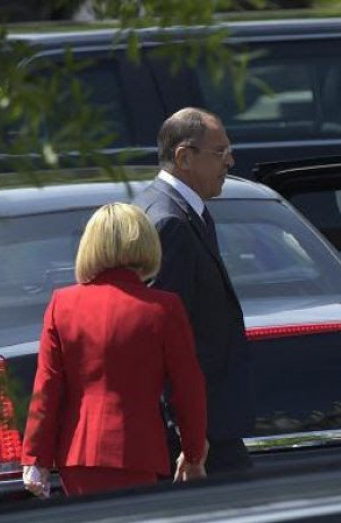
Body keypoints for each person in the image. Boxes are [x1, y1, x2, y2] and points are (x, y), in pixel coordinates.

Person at [21, 203, 208, 498]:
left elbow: (47, 387)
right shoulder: (163, 308)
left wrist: (36, 458)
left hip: (78, 452)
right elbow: (188, 388)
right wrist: (194, 453)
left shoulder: (62, 304)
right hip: (138, 450)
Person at [135, 107, 254, 475]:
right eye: (220, 152)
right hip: (199, 433)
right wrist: (188, 435)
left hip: (208, 421)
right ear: (184, 157)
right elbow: (163, 338)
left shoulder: (178, 209)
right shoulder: (169, 221)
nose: (230, 162)